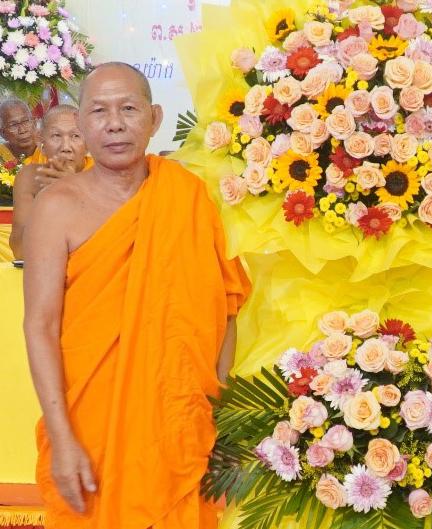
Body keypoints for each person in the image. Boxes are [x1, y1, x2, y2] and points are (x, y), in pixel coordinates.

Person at [23, 62, 251, 528]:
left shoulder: (187, 196)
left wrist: (222, 417)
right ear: (81, 123)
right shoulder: (57, 207)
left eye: (128, 109)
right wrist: (63, 439)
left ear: (155, 117)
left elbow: (224, 308)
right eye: (99, 111)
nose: (114, 124)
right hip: (93, 428)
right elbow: (40, 326)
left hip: (179, 420)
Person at [10, 105, 92, 259]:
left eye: (75, 136)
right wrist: (48, 197)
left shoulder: (104, 176)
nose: (66, 147)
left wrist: (73, 191)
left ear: (88, 144)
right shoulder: (30, 178)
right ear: (41, 143)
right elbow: (20, 250)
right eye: (56, 136)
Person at [0, 98, 38, 163]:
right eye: (13, 125)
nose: (22, 130)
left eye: (26, 121)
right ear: (2, 133)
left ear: (35, 123)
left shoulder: (50, 150)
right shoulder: (1, 156)